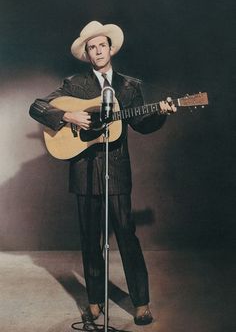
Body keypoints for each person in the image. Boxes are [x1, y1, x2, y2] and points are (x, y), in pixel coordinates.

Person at [29, 21, 176, 325]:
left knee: (126, 234)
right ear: (87, 53)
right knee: (89, 237)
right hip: (83, 170)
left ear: (111, 49)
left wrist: (160, 112)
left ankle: (141, 303)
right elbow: (38, 106)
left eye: (101, 45)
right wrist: (67, 114)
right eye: (91, 47)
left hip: (117, 169)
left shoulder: (130, 86)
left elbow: (141, 124)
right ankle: (95, 300)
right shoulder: (74, 84)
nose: (97, 51)